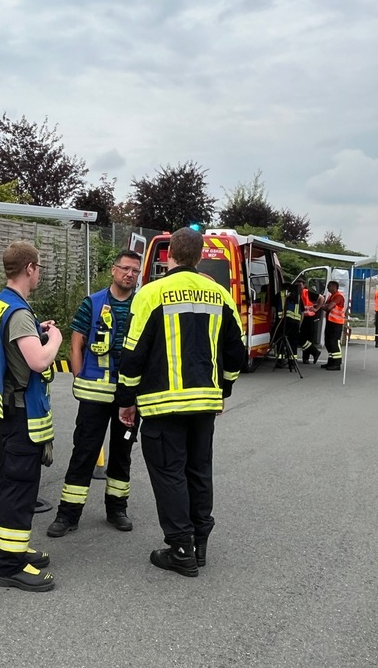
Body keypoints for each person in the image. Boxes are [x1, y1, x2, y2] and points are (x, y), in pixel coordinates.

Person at [116, 228, 246, 578]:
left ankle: (181, 549)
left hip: (162, 405)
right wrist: (224, 389)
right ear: (200, 256)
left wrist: (126, 400)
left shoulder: (150, 293)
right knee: (198, 471)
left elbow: (133, 354)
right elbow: (237, 352)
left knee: (170, 474)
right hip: (205, 404)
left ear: (168, 254)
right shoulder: (220, 294)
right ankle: (199, 543)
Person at [0, 241, 62, 592]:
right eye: (38, 267)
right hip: (22, 413)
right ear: (29, 268)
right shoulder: (20, 312)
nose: (39, 273)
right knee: (19, 489)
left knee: (10, 484)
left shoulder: (0, 303)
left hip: (8, 409)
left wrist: (37, 334)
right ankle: (9, 567)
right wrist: (54, 339)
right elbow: (38, 361)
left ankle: (11, 550)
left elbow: (13, 348)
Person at [47, 250, 141, 539]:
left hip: (129, 396)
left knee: (122, 453)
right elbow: (76, 343)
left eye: (135, 271)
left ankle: (117, 509)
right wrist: (79, 377)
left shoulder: (143, 304)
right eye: (125, 268)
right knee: (84, 453)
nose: (130, 274)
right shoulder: (93, 302)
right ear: (113, 270)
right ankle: (68, 514)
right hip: (94, 394)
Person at [322, 280, 346, 371]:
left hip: (336, 323)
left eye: (329, 286)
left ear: (334, 287)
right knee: (328, 342)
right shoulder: (331, 296)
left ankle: (337, 363)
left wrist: (322, 306)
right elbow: (326, 306)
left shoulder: (338, 296)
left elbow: (328, 307)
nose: (327, 287)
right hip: (330, 321)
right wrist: (324, 306)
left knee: (334, 342)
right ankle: (331, 361)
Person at [280, 280, 304, 368]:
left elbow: (274, 309)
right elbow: (302, 312)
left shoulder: (280, 295)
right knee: (293, 343)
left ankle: (280, 361)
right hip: (295, 323)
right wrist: (300, 323)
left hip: (284, 322)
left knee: (282, 342)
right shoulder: (298, 298)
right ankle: (293, 362)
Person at [300, 282, 323, 364]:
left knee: (306, 338)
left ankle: (308, 357)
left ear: (304, 285)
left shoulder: (307, 293)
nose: (298, 286)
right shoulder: (295, 293)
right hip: (301, 318)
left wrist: (316, 309)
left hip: (309, 318)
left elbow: (321, 298)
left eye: (300, 284)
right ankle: (313, 353)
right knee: (303, 338)